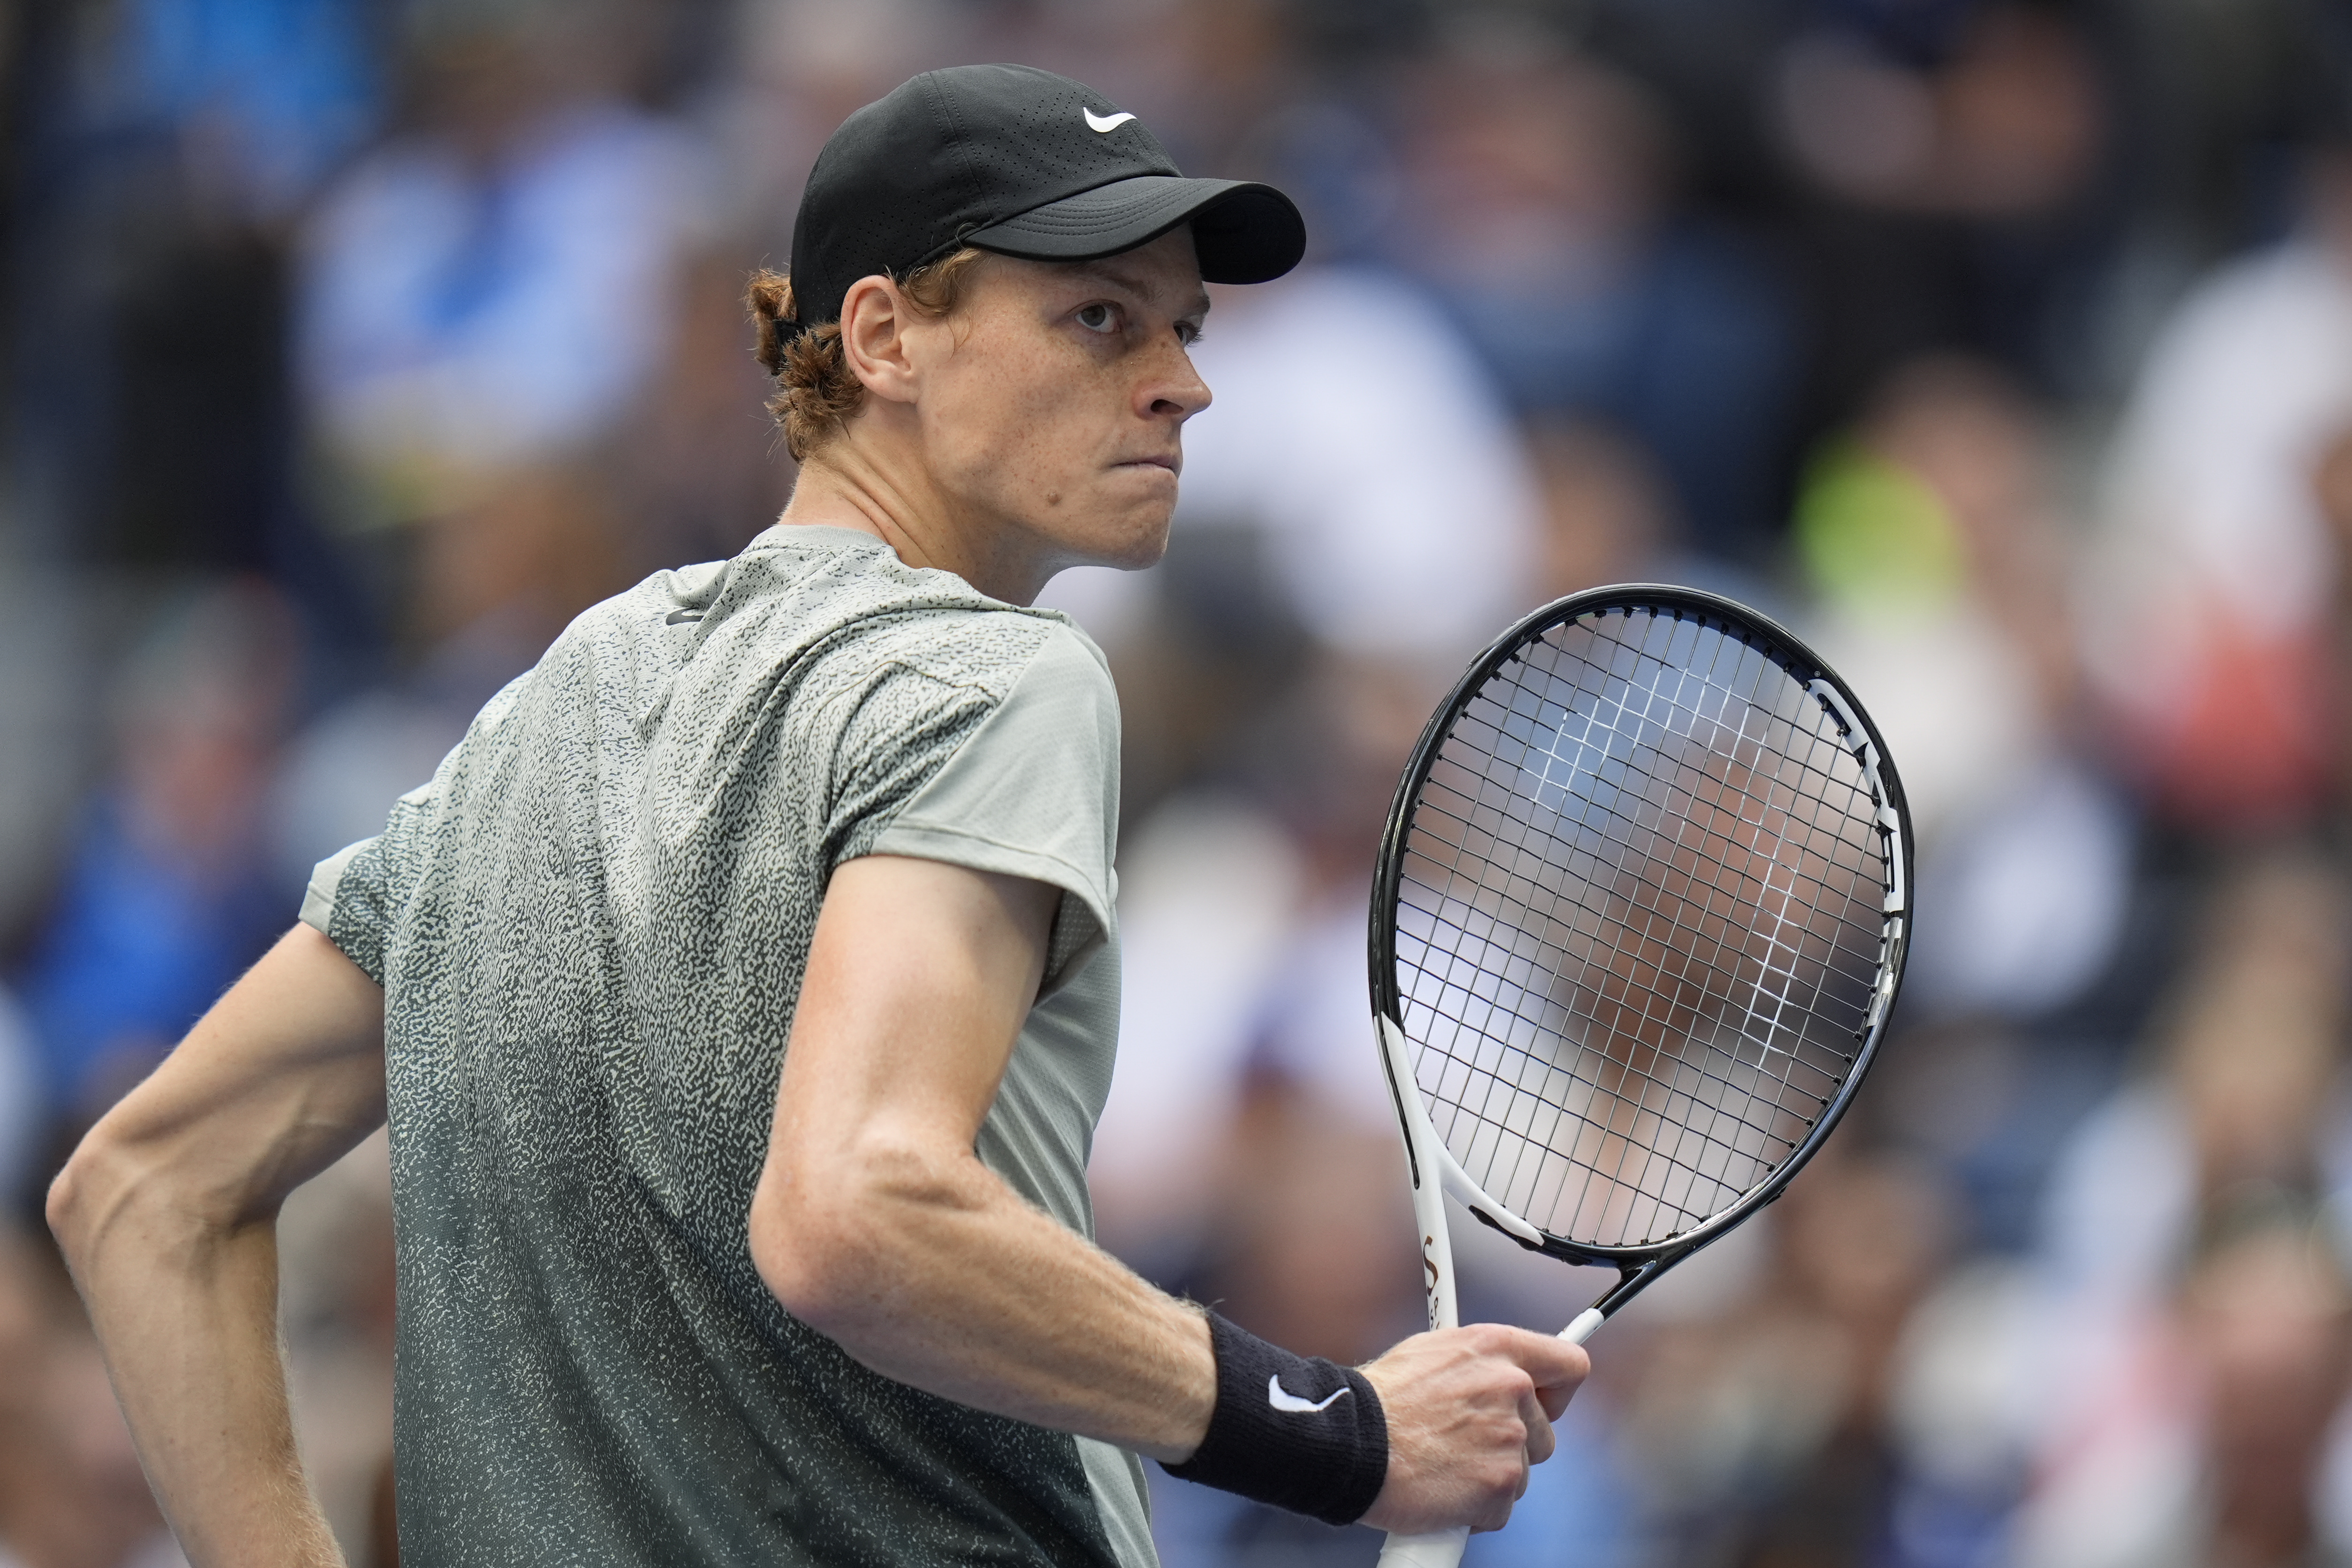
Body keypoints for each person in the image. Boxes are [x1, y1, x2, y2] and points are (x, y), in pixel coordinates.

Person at [45, 64, 1589, 1567]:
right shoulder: (1002, 679)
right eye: (1098, 316)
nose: (1183, 379)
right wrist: (1335, 1430)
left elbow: (140, 1184)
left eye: (1181, 327)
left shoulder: (539, 714)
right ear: (883, 336)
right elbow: (856, 1209)